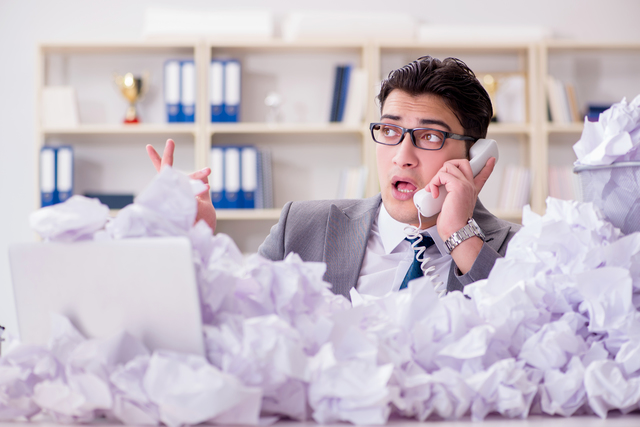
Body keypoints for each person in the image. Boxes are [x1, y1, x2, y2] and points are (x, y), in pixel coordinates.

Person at [147, 56, 521, 299]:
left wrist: (460, 237)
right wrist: (195, 245)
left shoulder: (515, 251)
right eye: (389, 132)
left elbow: (525, 336)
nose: (402, 156)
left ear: (474, 156)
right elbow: (235, 325)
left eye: (429, 137)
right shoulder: (303, 227)